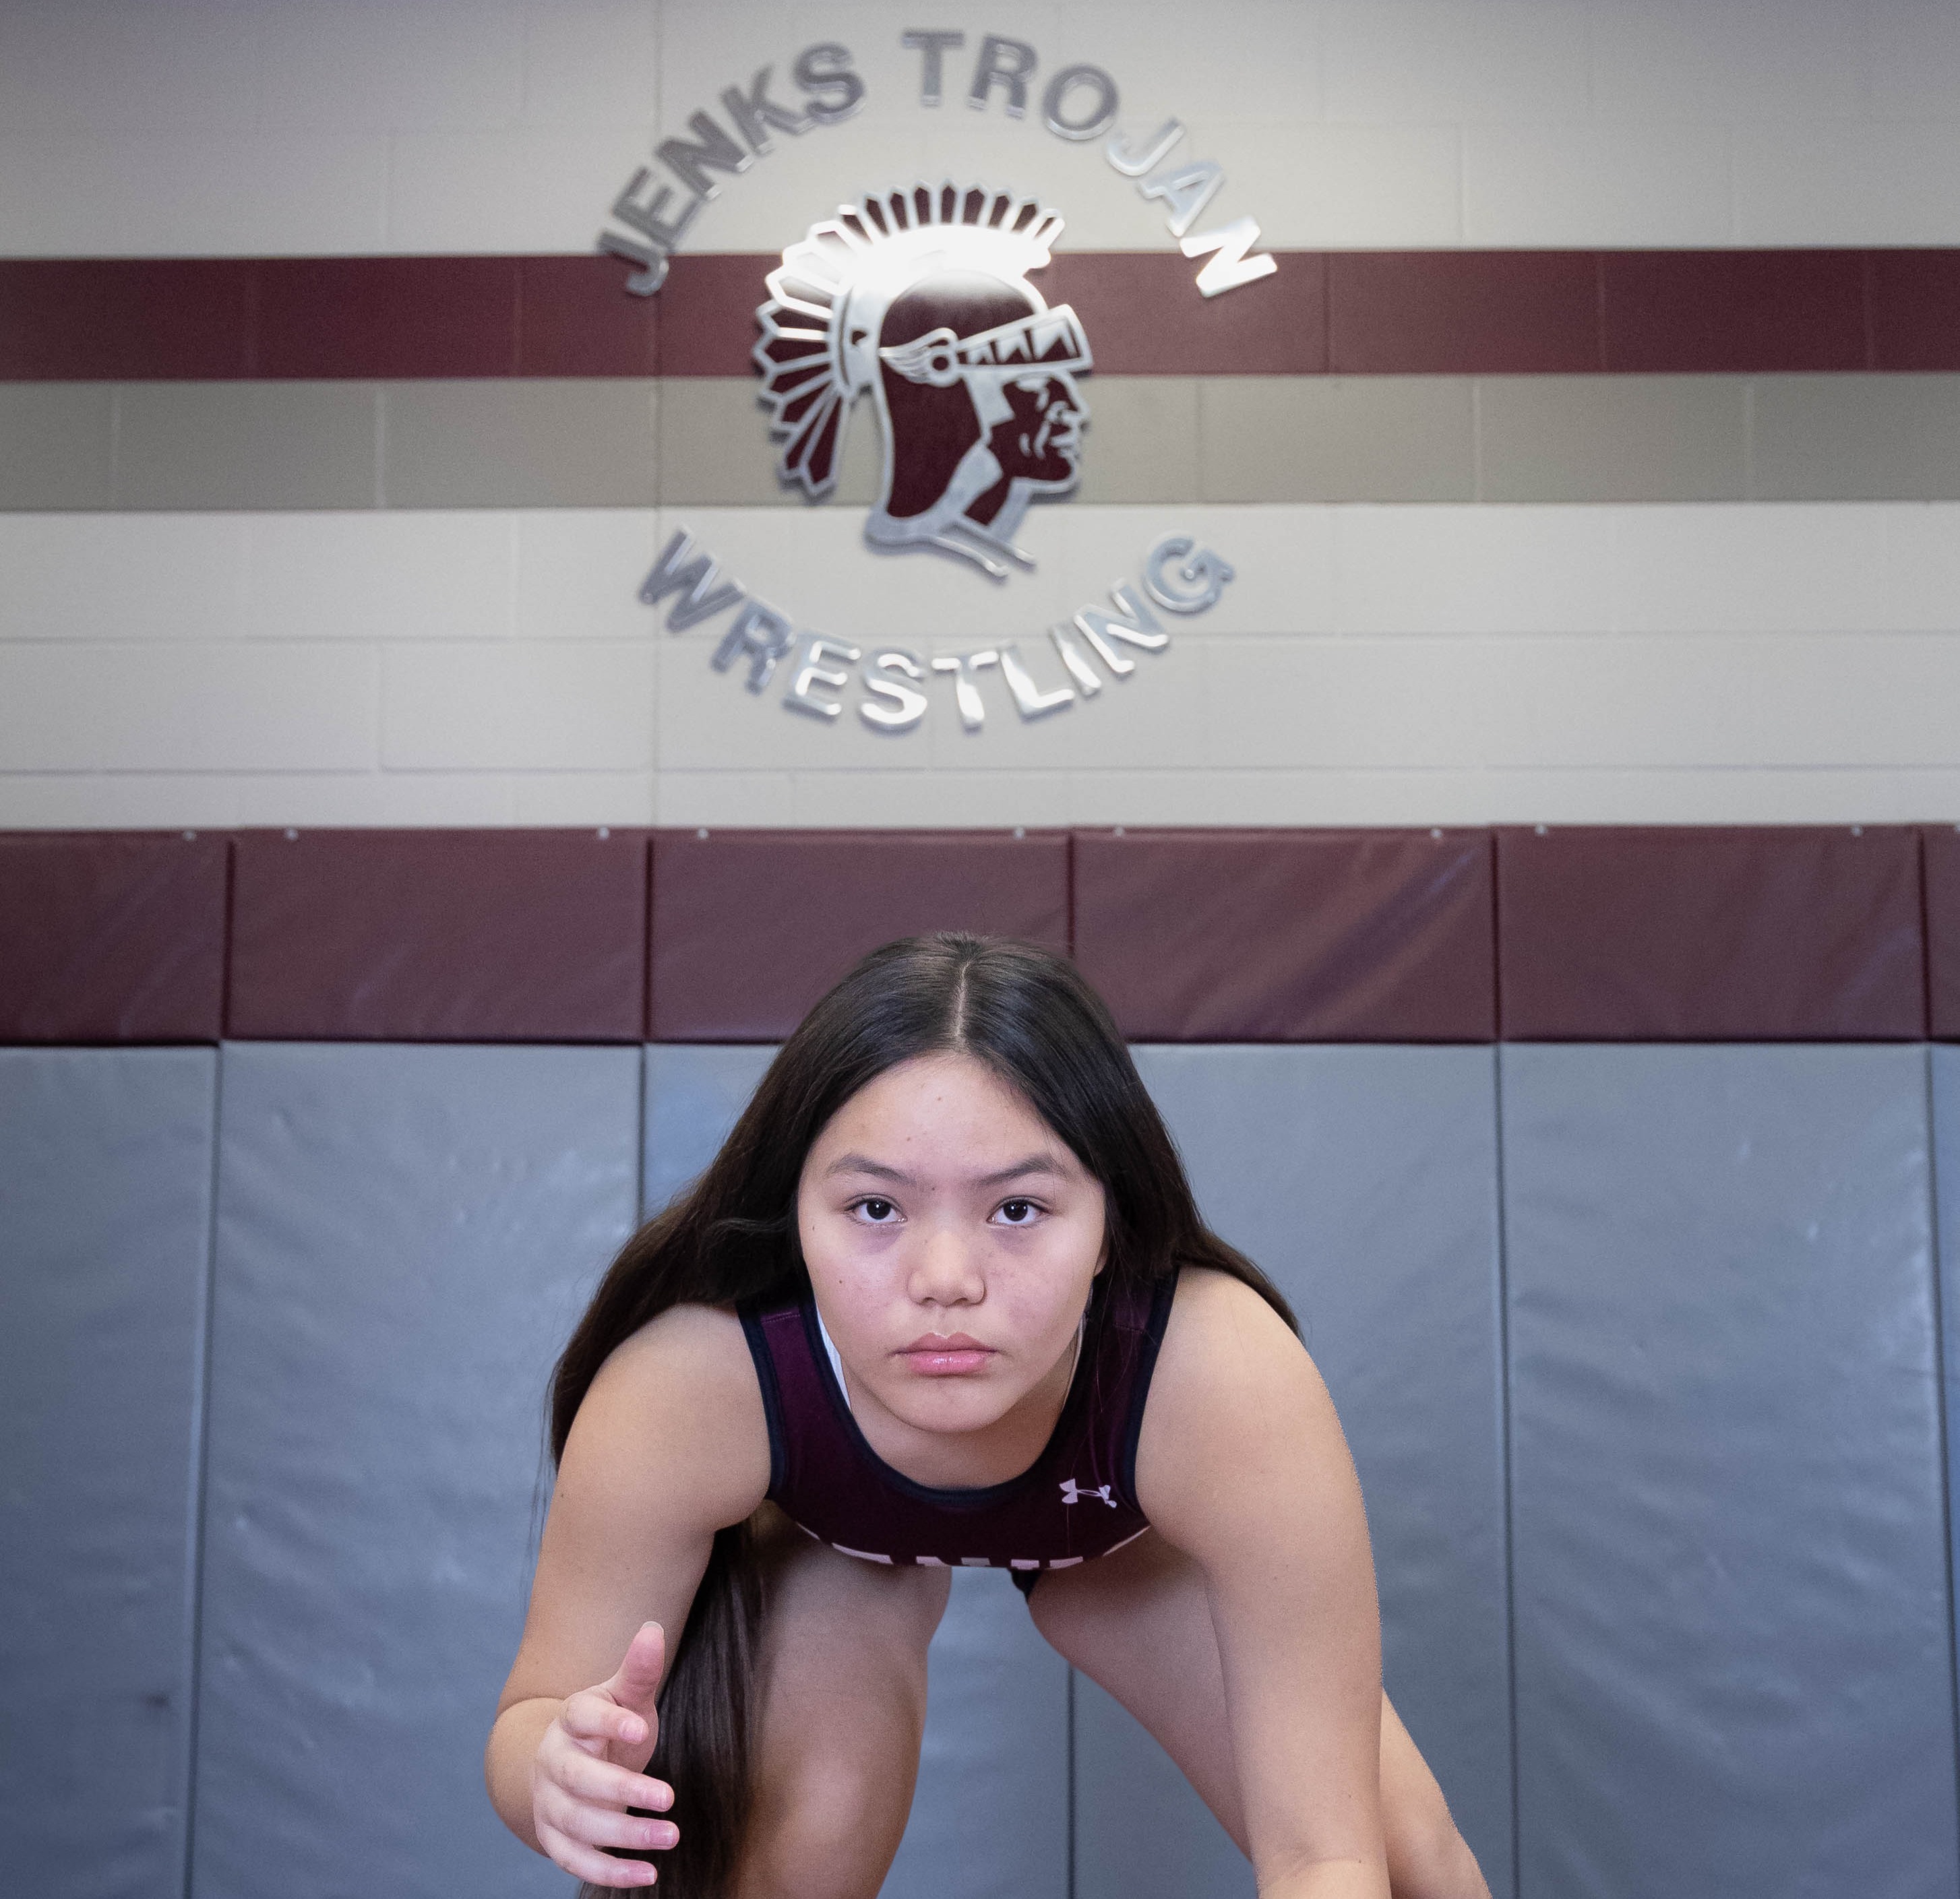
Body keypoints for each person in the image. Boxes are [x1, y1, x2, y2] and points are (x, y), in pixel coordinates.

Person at [485, 934, 1490, 1899]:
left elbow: (1324, 1858)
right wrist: (554, 1776)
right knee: (809, 1835)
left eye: (1017, 1210)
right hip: (834, 1538)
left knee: (1412, 1865)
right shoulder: (691, 1383)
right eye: (877, 1209)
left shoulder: (1223, 1374)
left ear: (1111, 1223)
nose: (946, 1280)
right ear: (796, 1208)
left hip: (1109, 1543)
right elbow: (530, 1716)